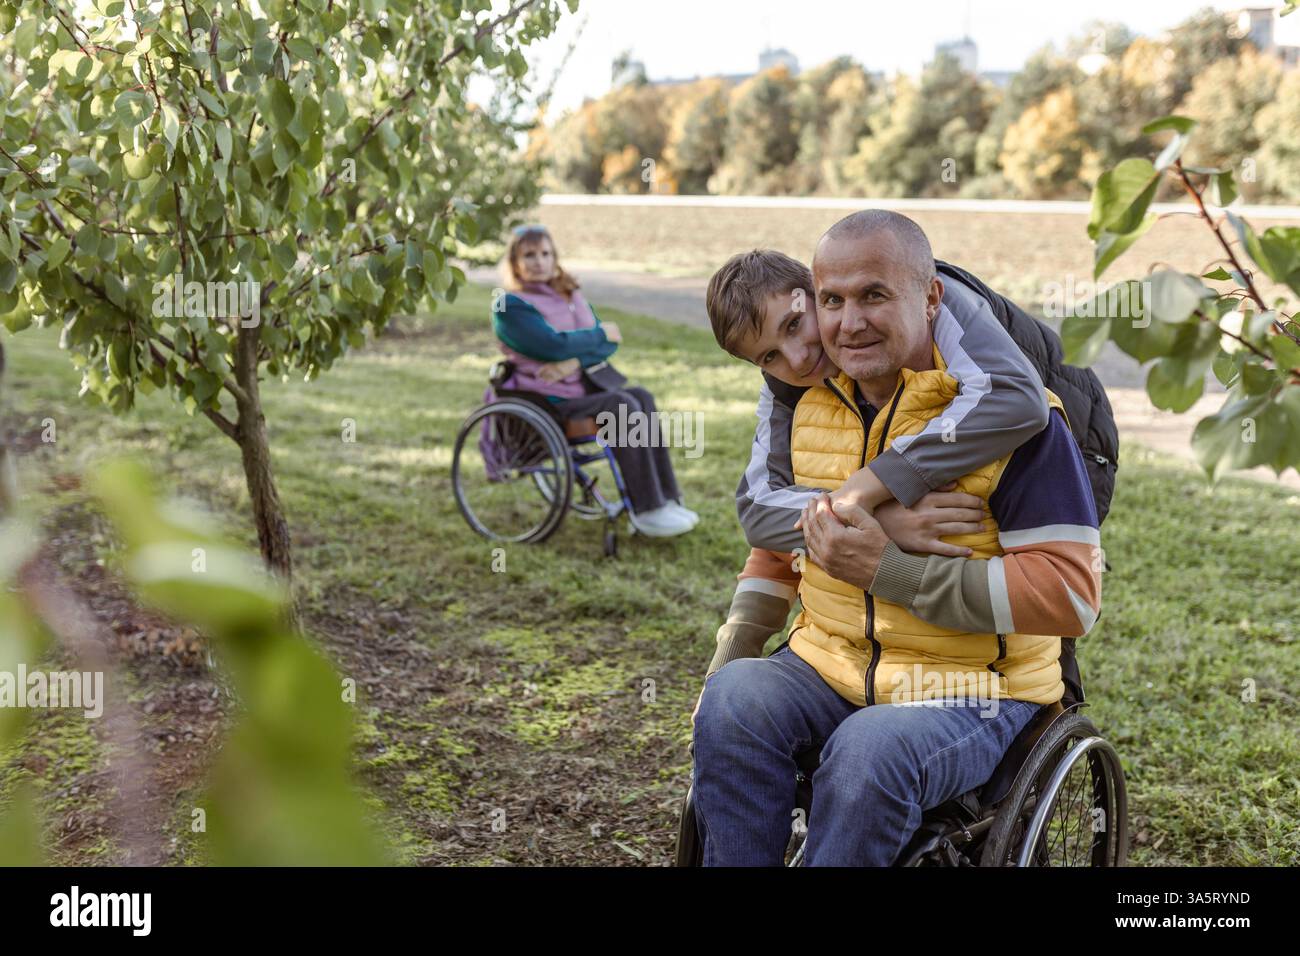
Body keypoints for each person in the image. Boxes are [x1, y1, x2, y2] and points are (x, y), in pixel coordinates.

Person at [691, 210, 1103, 865]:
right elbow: (775, 542)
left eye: (874, 295)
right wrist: (734, 649)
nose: (848, 323)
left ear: (931, 295)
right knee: (736, 700)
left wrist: (893, 570)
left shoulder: (1014, 422)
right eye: (833, 301)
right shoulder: (809, 408)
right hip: (828, 666)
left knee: (869, 751)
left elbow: (1072, 598)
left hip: (973, 689)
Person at [491, 225, 697, 538]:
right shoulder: (509, 306)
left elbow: (608, 346)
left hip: (577, 388)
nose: (538, 262)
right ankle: (646, 509)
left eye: (545, 254)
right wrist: (595, 337)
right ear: (514, 262)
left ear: (555, 258)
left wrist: (572, 360)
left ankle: (666, 499)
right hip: (546, 403)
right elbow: (553, 345)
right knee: (620, 405)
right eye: (529, 255)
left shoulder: (568, 294)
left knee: (641, 395)